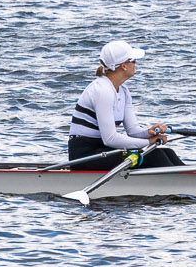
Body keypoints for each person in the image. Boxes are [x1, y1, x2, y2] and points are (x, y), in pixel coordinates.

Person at [67, 41, 183, 171]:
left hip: (103, 150)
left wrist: (149, 133)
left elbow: (133, 131)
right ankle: (186, 186)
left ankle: (194, 179)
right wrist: (148, 142)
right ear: (124, 66)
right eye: (133, 61)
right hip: (85, 155)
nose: (135, 64)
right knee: (156, 156)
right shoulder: (102, 90)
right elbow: (110, 139)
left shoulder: (123, 90)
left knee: (167, 152)